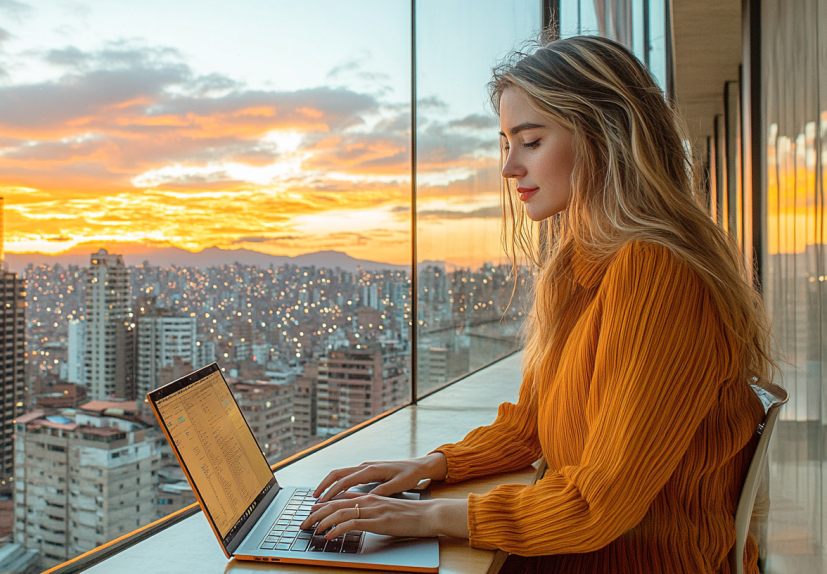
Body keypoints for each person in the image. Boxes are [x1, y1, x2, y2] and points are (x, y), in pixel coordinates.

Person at [300, 35, 775, 574]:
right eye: (505, 144)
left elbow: (597, 506)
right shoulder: (582, 267)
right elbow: (530, 425)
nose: (508, 168)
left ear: (605, 136)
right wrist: (429, 466)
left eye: (529, 141)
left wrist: (425, 517)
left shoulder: (656, 274)